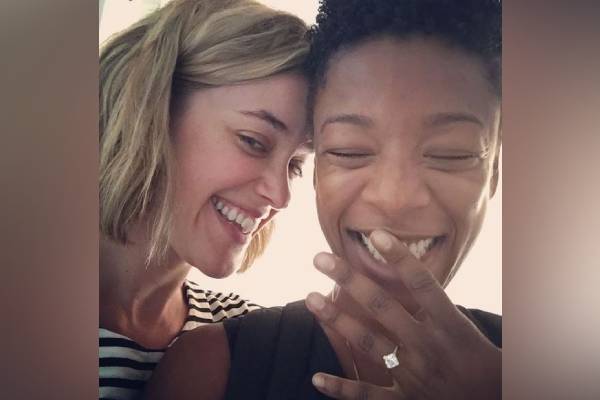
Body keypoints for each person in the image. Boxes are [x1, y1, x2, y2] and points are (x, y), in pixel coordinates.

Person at [143, 0, 502, 399]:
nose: (395, 199)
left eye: (451, 154)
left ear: (495, 174)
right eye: (349, 150)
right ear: (317, 175)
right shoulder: (215, 364)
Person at [99, 0, 311, 399]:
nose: (280, 196)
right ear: (153, 110)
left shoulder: (246, 344)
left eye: (296, 165)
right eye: (253, 141)